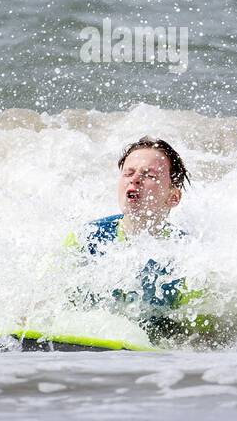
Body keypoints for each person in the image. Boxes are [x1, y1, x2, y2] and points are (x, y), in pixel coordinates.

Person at [63, 137, 218, 345]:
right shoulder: (88, 238)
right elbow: (50, 296)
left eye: (149, 175)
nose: (134, 179)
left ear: (173, 197)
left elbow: (202, 335)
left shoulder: (186, 257)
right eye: (128, 173)